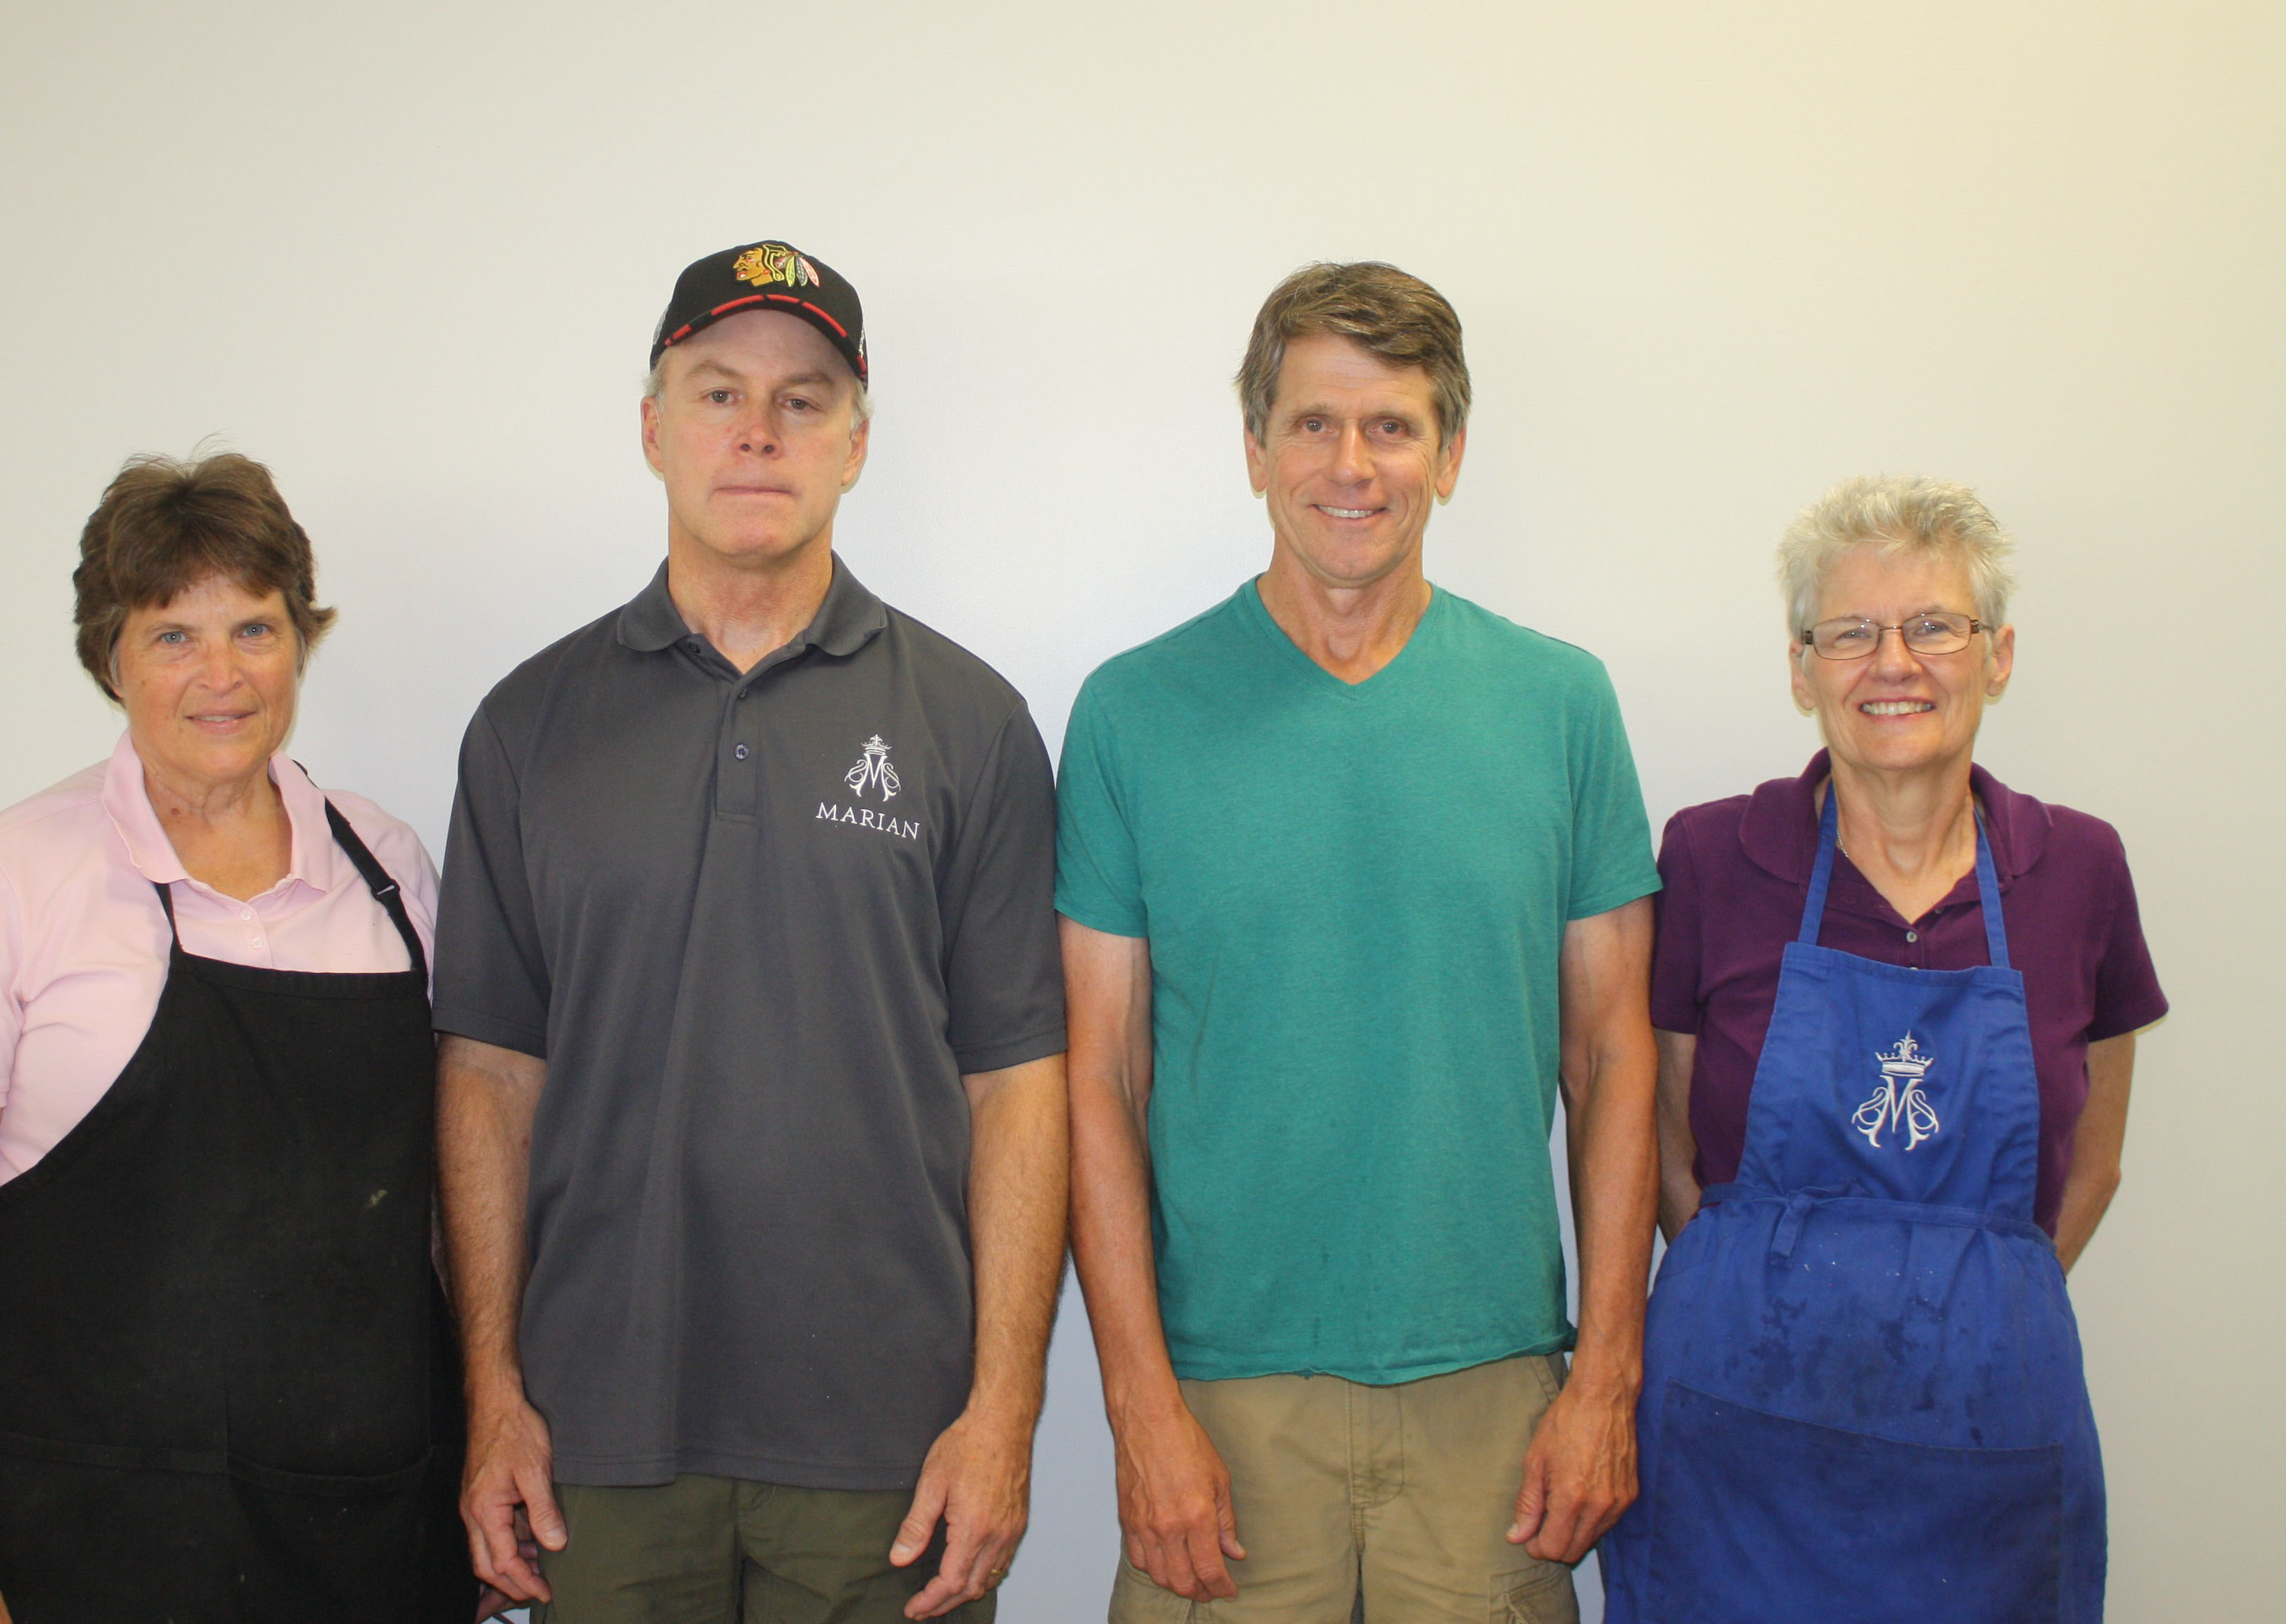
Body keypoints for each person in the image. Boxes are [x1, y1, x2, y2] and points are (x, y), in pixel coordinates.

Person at [433, 241, 1069, 1624]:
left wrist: (1004, 1414)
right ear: (653, 426)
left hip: (888, 1453)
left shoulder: (971, 725)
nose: (759, 431)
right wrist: (491, 1397)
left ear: (856, 441)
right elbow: (488, 1081)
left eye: (805, 397)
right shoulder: (528, 728)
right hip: (594, 1446)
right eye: (718, 391)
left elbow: (1019, 1090)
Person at [1056, 261, 1664, 1624]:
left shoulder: (1560, 705)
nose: (1353, 463)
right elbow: (1096, 1074)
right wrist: (1137, 1402)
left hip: (1495, 1400)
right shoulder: (1133, 714)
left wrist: (1605, 1376)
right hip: (1222, 1402)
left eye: (1392, 426)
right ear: (1257, 447)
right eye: (1315, 423)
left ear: (1449, 456)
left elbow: (1615, 1057)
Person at [0, 452, 475, 1624]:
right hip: (55, 1542)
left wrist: (471, 1473)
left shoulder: (388, 872)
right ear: (110, 656)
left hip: (349, 1544)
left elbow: (435, 1219)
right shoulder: (1, 880)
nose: (222, 674)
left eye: (255, 628)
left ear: (300, 640)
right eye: (173, 635)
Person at [1601, 476, 2165, 1623]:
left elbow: (2097, 1153)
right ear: (1801, 668)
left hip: (1989, 1446)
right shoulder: (1712, 855)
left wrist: (1970, 1304)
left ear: (1998, 656)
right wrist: (1763, 1298)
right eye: (1849, 633)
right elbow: (1661, 1136)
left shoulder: (2082, 870)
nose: (1892, 662)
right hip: (1734, 1450)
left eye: (1934, 627)